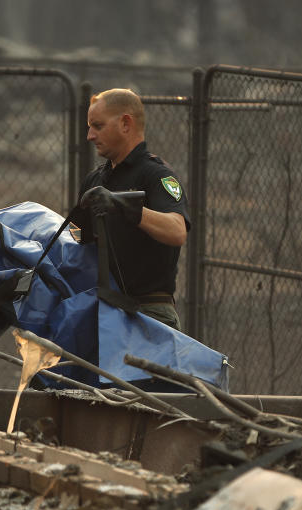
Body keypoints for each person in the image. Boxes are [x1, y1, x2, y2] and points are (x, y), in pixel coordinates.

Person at [74, 88, 190, 331]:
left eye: (97, 126)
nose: (90, 135)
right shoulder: (95, 181)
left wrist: (125, 206)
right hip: (102, 310)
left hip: (149, 316)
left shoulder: (156, 175)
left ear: (125, 124)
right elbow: (79, 245)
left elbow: (177, 230)